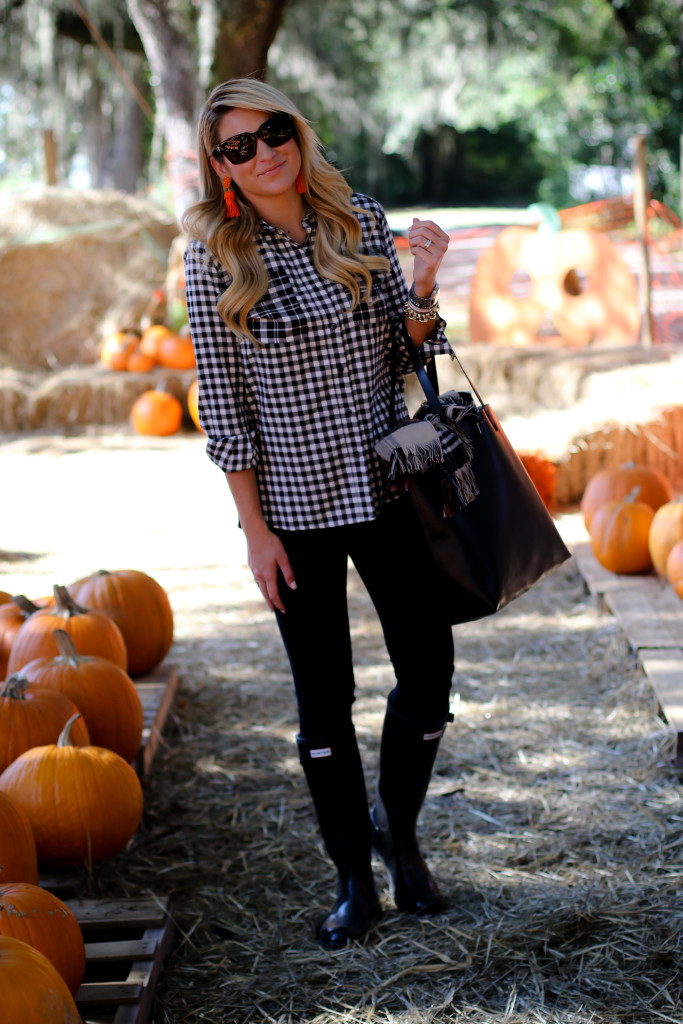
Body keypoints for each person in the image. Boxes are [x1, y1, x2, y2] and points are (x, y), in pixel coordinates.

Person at [183, 78, 456, 949]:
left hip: (385, 486)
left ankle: (399, 838)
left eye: (271, 131)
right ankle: (351, 881)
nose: (262, 151)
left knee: (428, 667)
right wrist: (252, 530)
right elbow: (221, 405)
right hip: (293, 508)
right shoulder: (212, 255)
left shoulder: (358, 220)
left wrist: (422, 279)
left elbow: (399, 348)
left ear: (294, 134)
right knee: (323, 700)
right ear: (219, 166)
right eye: (238, 145)